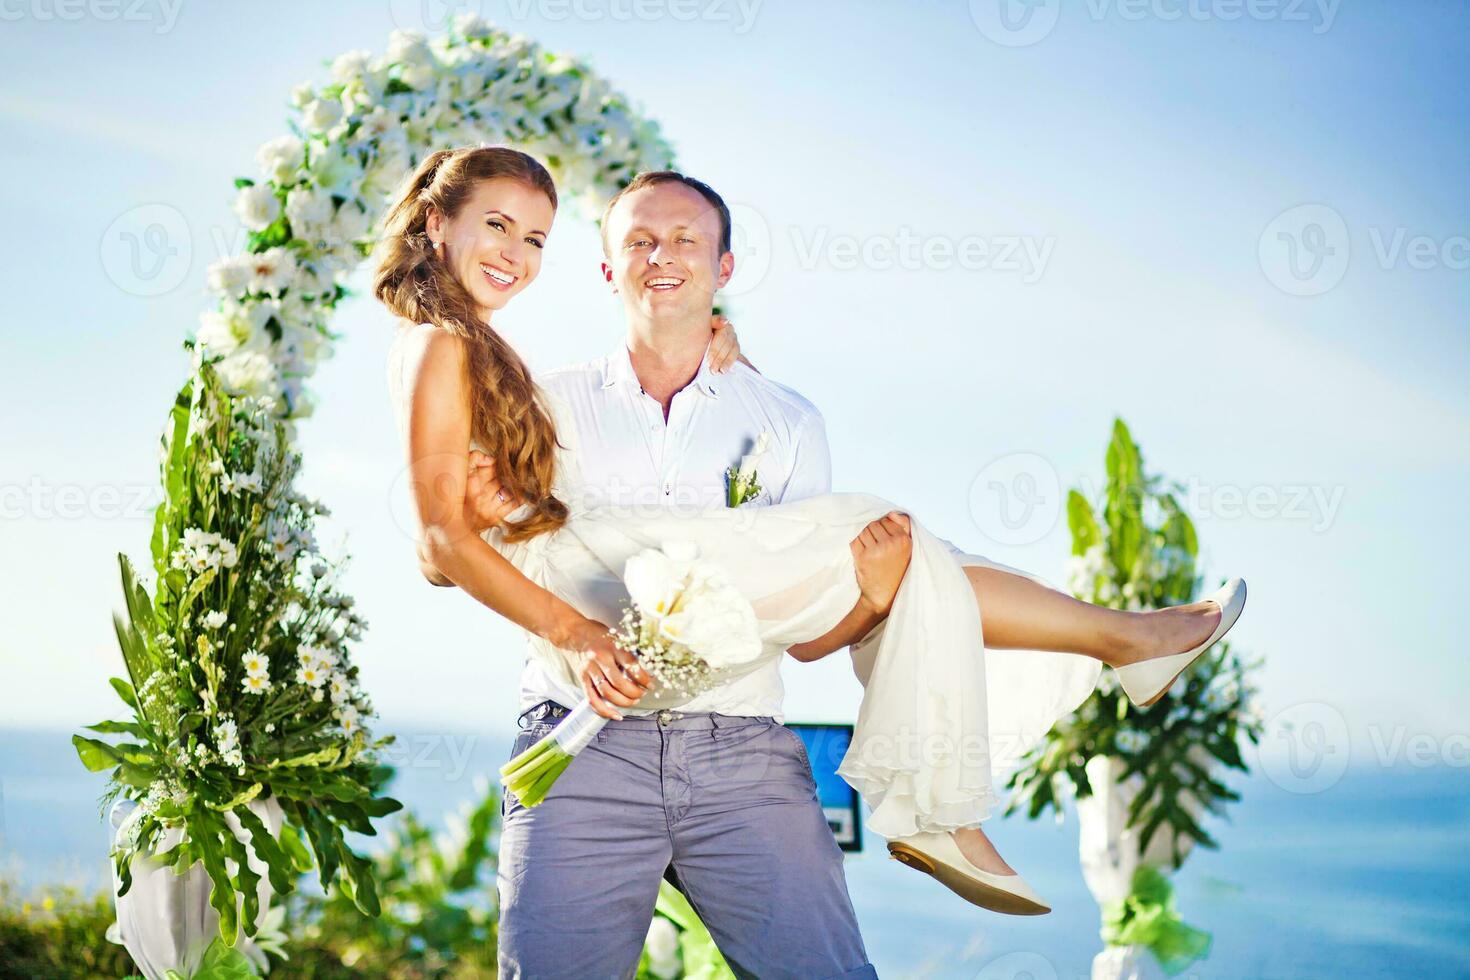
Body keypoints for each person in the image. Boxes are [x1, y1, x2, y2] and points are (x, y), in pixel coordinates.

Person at [378, 147, 1247, 973]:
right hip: (582, 739)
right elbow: (442, 544)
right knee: (898, 538)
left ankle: (1074, 684)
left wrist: (868, 603)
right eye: (638, 241)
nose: (662, 255)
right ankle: (1066, 693)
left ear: (724, 269)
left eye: (686, 240)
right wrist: (568, 624)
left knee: (897, 554)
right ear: (608, 272)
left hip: (738, 749)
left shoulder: (783, 419)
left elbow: (809, 641)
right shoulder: (536, 393)